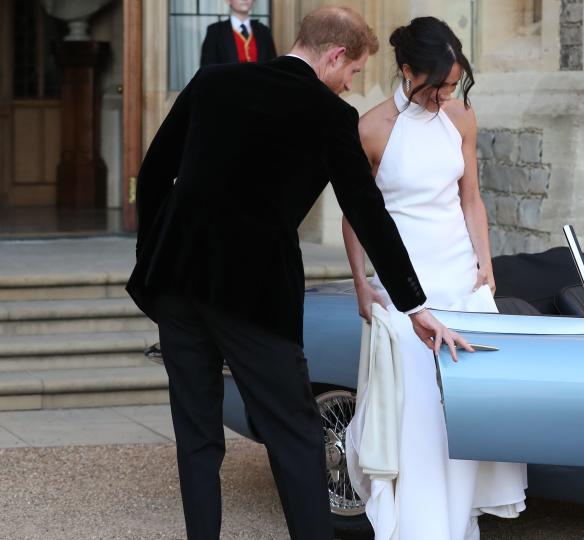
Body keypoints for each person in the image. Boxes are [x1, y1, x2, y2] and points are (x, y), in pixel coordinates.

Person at [126, 7, 470, 540]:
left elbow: (153, 173)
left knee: (196, 435)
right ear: (335, 56)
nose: (350, 82)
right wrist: (413, 304)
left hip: (176, 282)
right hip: (252, 293)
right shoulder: (329, 116)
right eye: (353, 71)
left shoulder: (214, 80)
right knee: (296, 434)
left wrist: (152, 254)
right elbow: (367, 213)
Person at [343, 16, 527, 540]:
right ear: (407, 71)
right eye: (438, 85)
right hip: (405, 289)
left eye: (453, 84)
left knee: (465, 411)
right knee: (417, 414)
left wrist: (485, 266)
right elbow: (357, 213)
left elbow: (471, 196)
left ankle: (458, 523)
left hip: (459, 280)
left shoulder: (461, 116)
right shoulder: (372, 128)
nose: (447, 94)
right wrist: (361, 282)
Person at [200, 0, 277, 66]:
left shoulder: (264, 31)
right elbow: (208, 70)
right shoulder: (215, 32)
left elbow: (273, 66)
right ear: (228, 1)